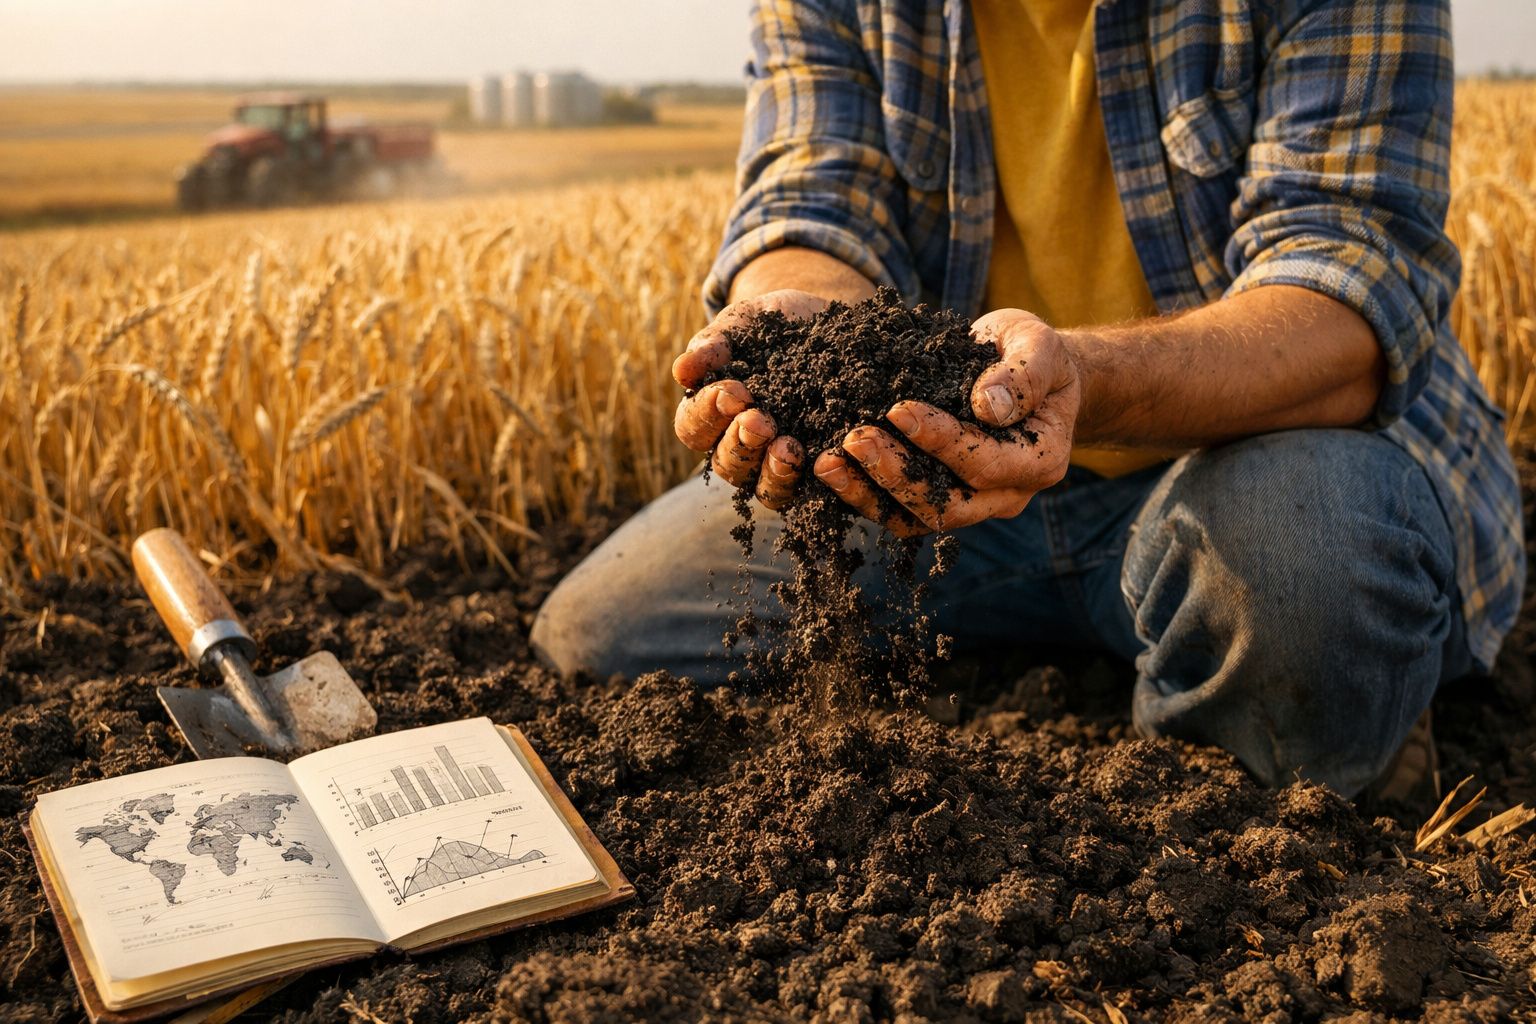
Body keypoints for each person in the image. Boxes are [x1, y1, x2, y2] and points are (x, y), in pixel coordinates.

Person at [533, 0, 1524, 799]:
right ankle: (1183, 657)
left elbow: (1341, 304)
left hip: (1246, 461)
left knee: (1311, 580)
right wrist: (809, 340)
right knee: (606, 636)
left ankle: (1235, 803)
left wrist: (1079, 382)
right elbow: (811, 205)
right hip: (943, 476)